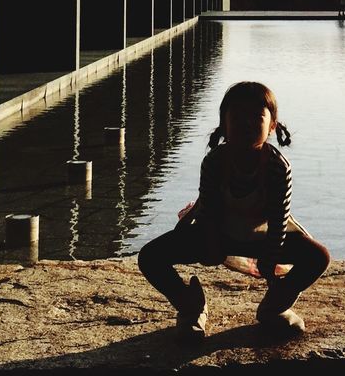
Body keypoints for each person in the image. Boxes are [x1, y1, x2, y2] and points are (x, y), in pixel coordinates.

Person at [137, 81, 331, 341]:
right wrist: (211, 243)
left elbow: (278, 219)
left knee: (318, 257)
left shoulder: (277, 167)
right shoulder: (215, 161)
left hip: (263, 236)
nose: (246, 124)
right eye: (238, 117)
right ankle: (190, 305)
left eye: (256, 117)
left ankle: (275, 307)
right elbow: (208, 210)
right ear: (224, 125)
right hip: (217, 231)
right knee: (150, 257)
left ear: (272, 126)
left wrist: (270, 257)